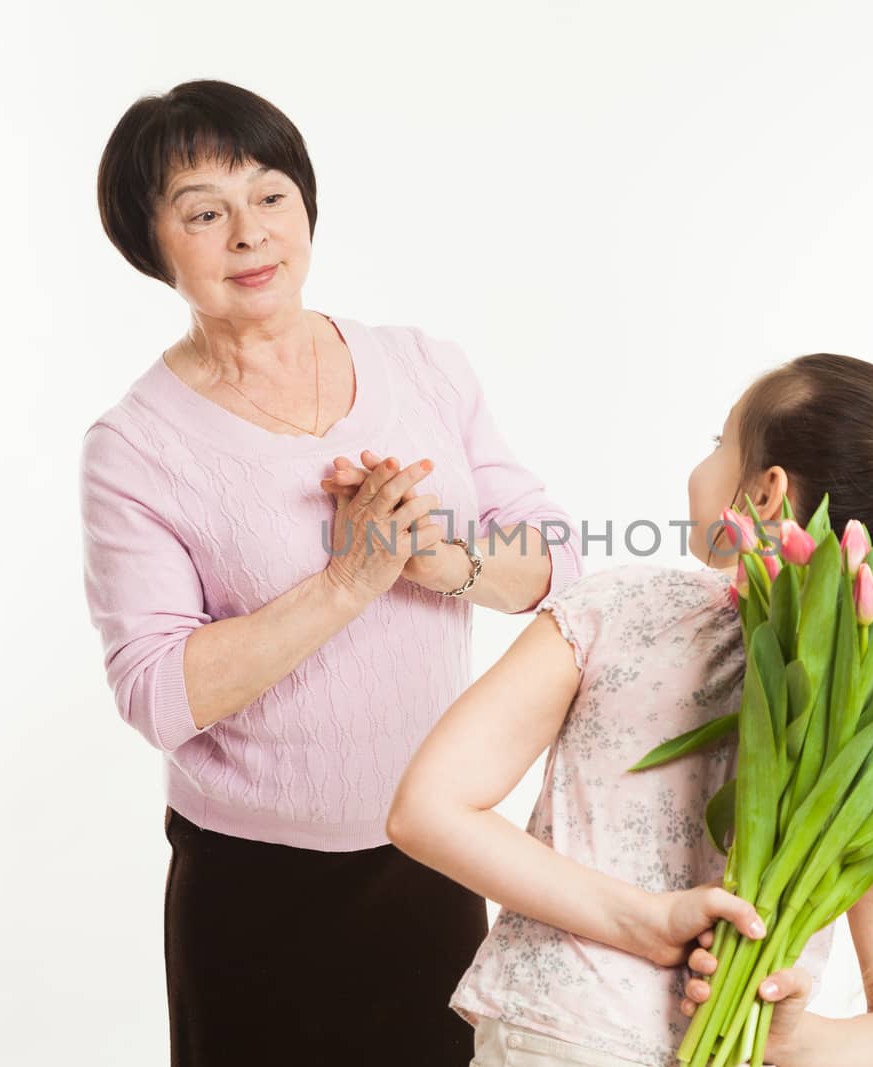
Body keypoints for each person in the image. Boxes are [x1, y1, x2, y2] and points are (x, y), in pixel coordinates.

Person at [387, 353, 873, 1067]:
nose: (707, 459)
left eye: (720, 441)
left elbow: (425, 808)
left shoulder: (614, 609)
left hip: (554, 1041)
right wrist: (787, 1033)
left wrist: (646, 927)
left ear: (765, 491)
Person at [80, 79, 581, 1065]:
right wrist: (345, 582)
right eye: (203, 212)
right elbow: (154, 692)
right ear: (152, 244)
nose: (249, 234)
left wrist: (436, 555)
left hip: (435, 844)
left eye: (270, 194)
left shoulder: (422, 366)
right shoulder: (133, 447)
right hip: (248, 884)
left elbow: (554, 562)